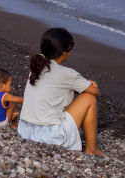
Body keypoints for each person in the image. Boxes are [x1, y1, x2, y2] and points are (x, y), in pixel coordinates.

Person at [18, 27, 103, 155]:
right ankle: (91, 149)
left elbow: (54, 86)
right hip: (49, 136)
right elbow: (95, 92)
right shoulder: (67, 73)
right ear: (65, 51)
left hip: (25, 130)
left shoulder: (36, 68)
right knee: (89, 98)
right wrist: (90, 85)